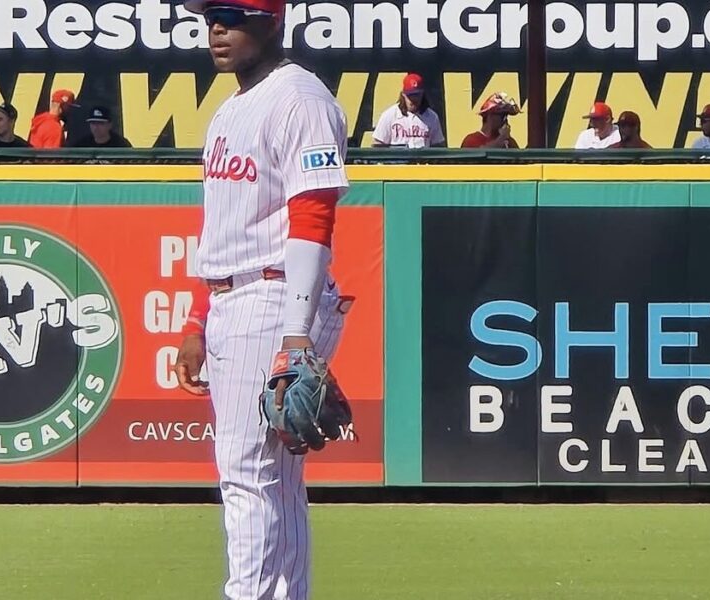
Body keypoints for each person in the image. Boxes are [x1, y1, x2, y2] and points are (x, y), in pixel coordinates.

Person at [174, 1, 350, 599]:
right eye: (209, 17)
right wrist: (199, 316)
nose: (215, 28)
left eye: (232, 15)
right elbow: (227, 226)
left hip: (275, 297)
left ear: (271, 22)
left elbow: (314, 215)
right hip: (234, 296)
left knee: (247, 476)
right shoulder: (230, 108)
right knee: (274, 482)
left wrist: (296, 335)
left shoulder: (300, 99)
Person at [372, 73, 445, 148]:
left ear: (422, 94)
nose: (414, 99)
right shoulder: (389, 115)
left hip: (422, 159)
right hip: (396, 159)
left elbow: (438, 147)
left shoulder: (432, 117)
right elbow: (378, 145)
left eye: (417, 95)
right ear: (403, 94)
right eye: (410, 95)